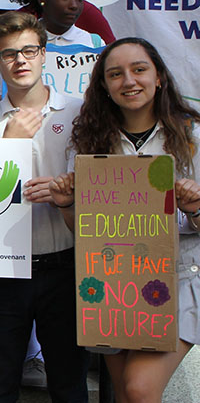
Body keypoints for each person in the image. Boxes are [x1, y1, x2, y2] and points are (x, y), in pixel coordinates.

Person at [51, 38, 200, 402]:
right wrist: (66, 205)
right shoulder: (89, 143)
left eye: (139, 69)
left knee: (139, 388)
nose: (128, 81)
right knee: (125, 394)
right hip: (113, 285)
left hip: (178, 278)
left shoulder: (192, 137)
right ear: (103, 85)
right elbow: (84, 230)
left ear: (160, 77)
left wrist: (195, 208)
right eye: (115, 74)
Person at [0, 12, 88, 403]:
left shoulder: (78, 112)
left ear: (43, 53)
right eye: (8, 54)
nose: (20, 60)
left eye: (28, 51)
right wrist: (10, 140)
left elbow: (99, 187)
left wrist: (65, 193)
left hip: (66, 265)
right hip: (5, 273)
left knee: (69, 383)